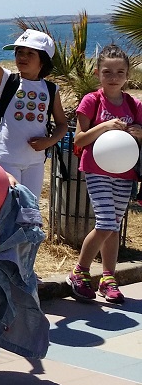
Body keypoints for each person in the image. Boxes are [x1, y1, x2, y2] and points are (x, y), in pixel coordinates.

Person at [0, 6, 69, 195]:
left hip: (35, 161)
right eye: (19, 52)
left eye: (30, 54)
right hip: (6, 158)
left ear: (43, 60)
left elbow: (62, 124)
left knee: (30, 208)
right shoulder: (8, 80)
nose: (22, 57)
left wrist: (49, 141)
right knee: (10, 207)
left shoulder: (51, 90)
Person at [66, 45, 142, 305]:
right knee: (106, 222)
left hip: (125, 172)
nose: (113, 77)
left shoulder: (134, 104)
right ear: (97, 73)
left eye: (120, 72)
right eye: (107, 71)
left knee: (114, 226)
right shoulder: (91, 101)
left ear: (127, 75)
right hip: (96, 169)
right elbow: (79, 139)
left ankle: (108, 278)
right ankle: (80, 272)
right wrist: (105, 126)